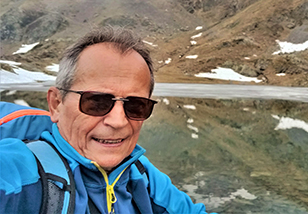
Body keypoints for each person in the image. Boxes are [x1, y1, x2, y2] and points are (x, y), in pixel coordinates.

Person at [0, 26, 213, 214]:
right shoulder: (21, 171)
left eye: (136, 105)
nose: (118, 121)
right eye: (97, 102)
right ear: (56, 103)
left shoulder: (141, 174)